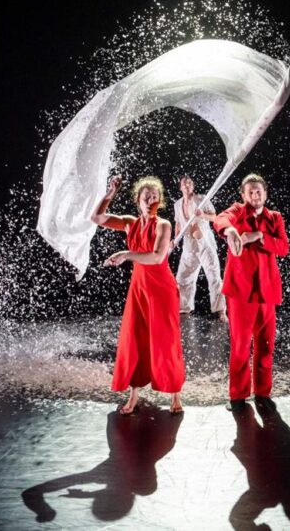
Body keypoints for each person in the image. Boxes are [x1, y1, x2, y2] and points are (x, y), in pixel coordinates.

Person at [91, 175, 185, 414]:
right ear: (138, 201)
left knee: (166, 342)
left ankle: (175, 395)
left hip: (161, 290)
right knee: (134, 341)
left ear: (160, 201)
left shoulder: (163, 225)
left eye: (155, 197)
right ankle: (133, 395)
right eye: (146, 197)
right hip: (139, 290)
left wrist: (127, 254)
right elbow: (97, 218)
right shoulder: (130, 223)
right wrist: (110, 195)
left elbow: (156, 257)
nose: (151, 200)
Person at [214, 174, 289, 412]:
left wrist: (259, 237)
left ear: (265, 193)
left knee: (266, 345)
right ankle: (238, 396)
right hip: (241, 292)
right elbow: (220, 219)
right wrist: (231, 233)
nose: (255, 196)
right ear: (243, 195)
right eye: (251, 192)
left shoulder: (274, 218)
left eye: (259, 192)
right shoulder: (237, 212)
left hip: (267, 292)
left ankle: (263, 393)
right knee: (241, 345)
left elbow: (283, 247)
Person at [173, 174, 228, 322]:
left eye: (190, 182)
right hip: (189, 246)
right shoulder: (177, 204)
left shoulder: (202, 199)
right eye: (184, 182)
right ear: (180, 186)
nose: (187, 184)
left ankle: (220, 310)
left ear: (193, 185)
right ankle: (184, 309)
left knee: (214, 276)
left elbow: (215, 217)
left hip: (204, 243)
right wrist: (175, 239)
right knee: (183, 278)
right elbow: (178, 223)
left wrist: (202, 214)